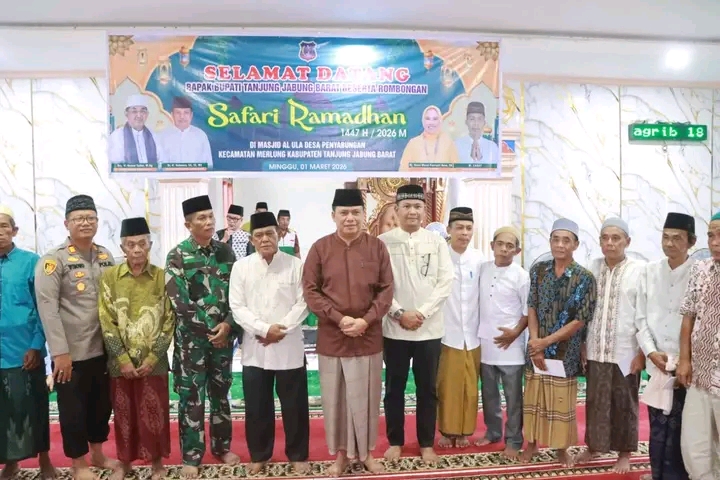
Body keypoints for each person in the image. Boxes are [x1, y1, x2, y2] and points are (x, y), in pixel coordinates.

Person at [302, 188, 394, 476]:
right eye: (344, 213)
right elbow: (310, 291)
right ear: (333, 216)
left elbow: (387, 290)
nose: (350, 218)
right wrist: (339, 319)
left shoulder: (377, 248)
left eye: (356, 212)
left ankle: (366, 454)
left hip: (368, 336)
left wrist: (365, 320)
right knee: (336, 401)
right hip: (334, 337)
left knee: (367, 399)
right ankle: (341, 456)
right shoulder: (320, 248)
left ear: (364, 215)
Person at [35, 194, 118, 480]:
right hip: (71, 352)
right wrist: (59, 353)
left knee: (101, 405)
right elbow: (48, 308)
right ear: (66, 224)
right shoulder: (53, 260)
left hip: (103, 347)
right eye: (79, 218)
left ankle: (97, 453)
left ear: (97, 221)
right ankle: (79, 463)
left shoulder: (105, 256)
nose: (85, 223)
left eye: (90, 218)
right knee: (73, 410)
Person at [229, 211, 310, 475]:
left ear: (278, 235)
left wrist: (279, 329)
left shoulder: (295, 265)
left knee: (295, 406)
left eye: (270, 234)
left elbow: (304, 303)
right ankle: (259, 455)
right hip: (256, 347)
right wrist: (264, 329)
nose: (265, 239)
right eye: (259, 235)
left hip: (288, 346)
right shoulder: (241, 267)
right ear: (251, 240)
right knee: (257, 406)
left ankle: (298, 455)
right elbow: (237, 306)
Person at [379, 184, 454, 464]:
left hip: (429, 330)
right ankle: (395, 442)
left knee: (427, 390)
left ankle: (426, 443)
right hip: (394, 330)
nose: (412, 211)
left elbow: (445, 281)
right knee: (394, 389)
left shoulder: (437, 242)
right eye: (407, 206)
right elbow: (378, 285)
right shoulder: (383, 242)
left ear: (424, 211)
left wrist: (420, 313)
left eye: (418, 207)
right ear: (396, 210)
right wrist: (399, 313)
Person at [165, 195, 239, 478]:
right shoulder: (177, 256)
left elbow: (238, 295)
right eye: (201, 218)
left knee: (221, 395)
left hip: (223, 340)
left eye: (210, 216)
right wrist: (211, 331)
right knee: (192, 398)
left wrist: (228, 326)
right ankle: (192, 456)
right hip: (191, 344)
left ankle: (222, 447)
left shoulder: (226, 253)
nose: (208, 222)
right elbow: (179, 302)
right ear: (188, 224)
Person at [98, 217, 175, 480]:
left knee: (155, 411)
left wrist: (153, 357)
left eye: (142, 243)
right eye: (131, 245)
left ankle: (157, 463)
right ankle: (125, 462)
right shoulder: (110, 278)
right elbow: (106, 319)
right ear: (123, 248)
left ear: (150, 245)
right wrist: (122, 358)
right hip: (120, 362)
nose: (137, 250)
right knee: (123, 413)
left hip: (154, 361)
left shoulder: (161, 277)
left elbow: (169, 319)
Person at [520, 218, 596, 468]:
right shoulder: (539, 271)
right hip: (536, 348)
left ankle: (561, 448)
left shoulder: (585, 278)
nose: (560, 245)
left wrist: (545, 342)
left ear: (575, 244)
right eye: (556, 239)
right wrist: (535, 342)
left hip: (565, 351)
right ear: (550, 241)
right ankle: (531, 443)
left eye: (566, 240)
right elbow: (532, 306)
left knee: (561, 402)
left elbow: (580, 320)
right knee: (534, 399)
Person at [574, 217, 646, 473]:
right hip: (596, 347)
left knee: (625, 402)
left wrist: (642, 352)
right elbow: (583, 310)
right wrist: (582, 343)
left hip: (626, 350)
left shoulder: (640, 271)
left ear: (627, 241)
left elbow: (644, 314)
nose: (610, 243)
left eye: (616, 238)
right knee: (595, 400)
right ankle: (594, 446)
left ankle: (624, 453)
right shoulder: (591, 268)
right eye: (605, 238)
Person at [636, 212, 695, 480]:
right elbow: (640, 318)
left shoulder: (698, 273)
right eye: (666, 237)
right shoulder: (649, 272)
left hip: (687, 366)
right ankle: (656, 473)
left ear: (691, 242)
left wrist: (685, 358)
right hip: (657, 363)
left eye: (677, 238)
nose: (669, 243)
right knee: (657, 423)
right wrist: (650, 352)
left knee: (683, 426)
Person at [0, 205, 57, 480]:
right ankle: (10, 463)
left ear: (14, 230)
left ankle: (45, 460)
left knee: (35, 408)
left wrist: (36, 345)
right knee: (3, 413)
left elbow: (44, 308)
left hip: (24, 350)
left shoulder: (31, 262)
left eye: (3, 226)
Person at [476, 226, 529, 460]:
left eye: (510, 246)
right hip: (485, 343)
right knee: (489, 394)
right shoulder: (483, 269)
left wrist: (515, 333)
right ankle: (493, 432)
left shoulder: (521, 276)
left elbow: (528, 311)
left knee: (513, 397)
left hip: (511, 347)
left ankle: (514, 440)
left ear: (517, 251)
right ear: (492, 246)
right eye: (500, 244)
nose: (504, 249)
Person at [677, 211, 720, 480]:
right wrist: (685, 360)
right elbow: (688, 316)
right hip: (700, 374)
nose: (714, 242)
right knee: (695, 445)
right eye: (711, 235)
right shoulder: (700, 269)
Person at [436, 207, 484, 449]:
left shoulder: (480, 258)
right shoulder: (439, 256)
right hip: (447, 333)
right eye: (459, 228)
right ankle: (447, 431)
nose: (464, 233)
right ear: (449, 230)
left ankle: (465, 431)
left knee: (470, 387)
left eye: (468, 228)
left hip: (473, 334)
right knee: (447, 386)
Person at [108, 94, 165, 166]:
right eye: (134, 111)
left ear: (147, 114)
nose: (139, 115)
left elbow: (163, 163)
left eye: (143, 111)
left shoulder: (154, 136)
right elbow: (115, 164)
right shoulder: (117, 136)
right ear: (126, 114)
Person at [398, 106, 460, 171]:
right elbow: (403, 171)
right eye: (428, 119)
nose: (431, 123)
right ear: (423, 121)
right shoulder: (413, 143)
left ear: (440, 121)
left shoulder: (447, 142)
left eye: (435, 119)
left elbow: (457, 170)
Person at [159, 96, 213, 168]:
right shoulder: (162, 136)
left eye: (186, 113)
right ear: (172, 115)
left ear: (191, 115)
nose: (182, 117)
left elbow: (208, 165)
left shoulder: (200, 135)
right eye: (178, 113)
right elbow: (159, 166)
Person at [453, 102, 501, 169]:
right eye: (472, 119)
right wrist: (470, 159)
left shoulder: (492, 147)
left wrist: (480, 159)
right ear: (466, 122)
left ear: (484, 122)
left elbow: (496, 171)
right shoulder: (456, 145)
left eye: (479, 119)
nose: (476, 123)